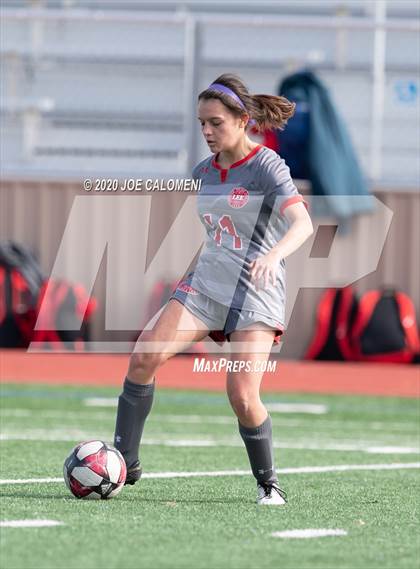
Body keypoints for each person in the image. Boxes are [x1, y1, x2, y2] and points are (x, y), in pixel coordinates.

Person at [113, 73, 313, 505]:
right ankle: (124, 462)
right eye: (201, 122)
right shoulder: (203, 171)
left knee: (242, 396)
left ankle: (269, 484)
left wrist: (273, 255)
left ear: (242, 121)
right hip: (206, 285)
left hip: (255, 294)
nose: (206, 131)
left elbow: (303, 225)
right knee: (144, 356)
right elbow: (219, 234)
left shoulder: (267, 166)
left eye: (215, 123)